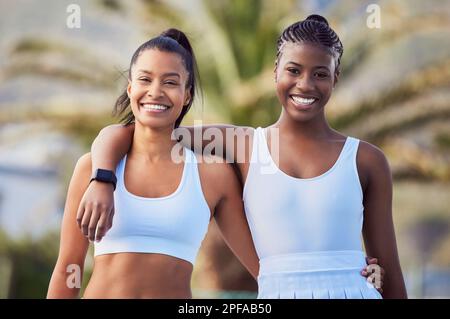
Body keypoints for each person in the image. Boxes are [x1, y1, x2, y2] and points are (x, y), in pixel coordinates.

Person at [77, 15, 400, 298]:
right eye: (293, 70)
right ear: (275, 72)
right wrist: (103, 178)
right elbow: (135, 133)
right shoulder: (241, 144)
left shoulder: (366, 160)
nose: (305, 84)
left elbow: (389, 272)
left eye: (320, 73)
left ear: (336, 77)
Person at [47, 29, 260, 298]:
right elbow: (68, 265)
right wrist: (102, 180)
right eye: (145, 80)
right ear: (130, 88)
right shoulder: (92, 169)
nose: (155, 92)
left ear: (187, 95)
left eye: (170, 82)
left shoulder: (213, 176)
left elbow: (261, 270)